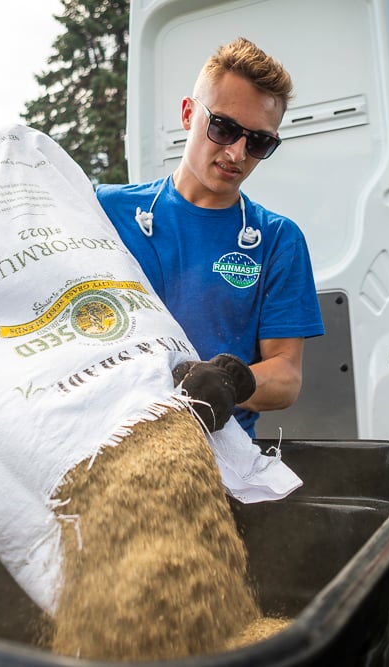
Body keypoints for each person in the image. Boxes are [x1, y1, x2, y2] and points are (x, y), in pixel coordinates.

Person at [96, 37, 323, 436]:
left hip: (220, 454)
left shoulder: (277, 240)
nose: (237, 153)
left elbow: (286, 374)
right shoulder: (105, 211)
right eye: (223, 127)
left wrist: (234, 384)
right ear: (188, 114)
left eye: (258, 141)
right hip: (109, 438)